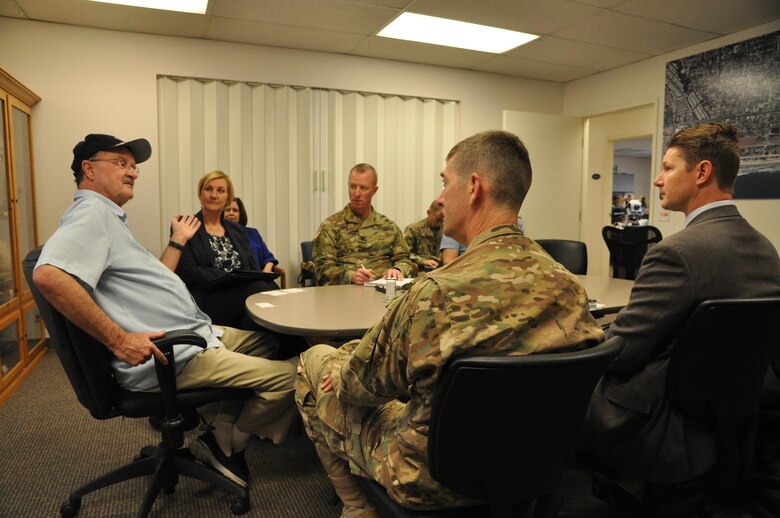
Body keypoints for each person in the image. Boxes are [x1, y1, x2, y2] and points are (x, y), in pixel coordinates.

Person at [295, 130, 604, 514]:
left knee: (313, 363)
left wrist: (341, 362)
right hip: (530, 466)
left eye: (445, 182)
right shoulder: (568, 286)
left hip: (429, 477)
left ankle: (357, 505)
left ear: (473, 187)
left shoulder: (435, 293)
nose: (440, 198)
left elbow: (360, 388)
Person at [33, 134, 299, 489]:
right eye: (121, 163)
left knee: (273, 343)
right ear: (88, 169)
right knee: (294, 379)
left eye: (133, 166)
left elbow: (153, 277)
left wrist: (176, 241)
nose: (133, 173)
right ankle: (231, 444)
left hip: (196, 335)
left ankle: (218, 431)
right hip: (173, 353)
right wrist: (119, 340)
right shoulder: (91, 214)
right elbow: (48, 275)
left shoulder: (109, 218)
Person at [581, 123, 780, 482]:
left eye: (668, 168)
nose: (658, 180)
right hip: (727, 415)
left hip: (659, 424)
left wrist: (589, 332)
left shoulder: (675, 253)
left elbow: (623, 353)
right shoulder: (765, 248)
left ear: (702, 172)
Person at [175, 171, 277, 330]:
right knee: (259, 289)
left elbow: (250, 268)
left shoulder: (238, 230)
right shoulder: (186, 225)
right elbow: (189, 272)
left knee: (271, 295)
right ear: (200, 193)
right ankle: (306, 348)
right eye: (208, 189)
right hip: (207, 300)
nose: (213, 195)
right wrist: (232, 277)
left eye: (220, 190)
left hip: (241, 298)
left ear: (228, 198)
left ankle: (299, 348)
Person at [312, 163, 413, 285]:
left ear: (374, 191)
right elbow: (323, 268)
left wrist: (398, 270)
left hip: (383, 291)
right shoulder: (331, 226)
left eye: (363, 188)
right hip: (344, 292)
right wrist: (350, 277)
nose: (356, 193)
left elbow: (404, 259)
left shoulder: (389, 227)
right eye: (353, 186)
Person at [224, 196, 283, 276]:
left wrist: (266, 270)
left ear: (241, 214)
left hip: (261, 278)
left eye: (235, 210)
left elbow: (268, 257)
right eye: (227, 210)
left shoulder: (253, 233)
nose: (231, 213)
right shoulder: (220, 236)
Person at [402, 199, 444, 271]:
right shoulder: (413, 229)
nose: (439, 223)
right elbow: (404, 253)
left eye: (442, 220)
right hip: (421, 270)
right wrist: (423, 261)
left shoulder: (446, 230)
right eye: (437, 220)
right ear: (428, 212)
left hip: (440, 269)